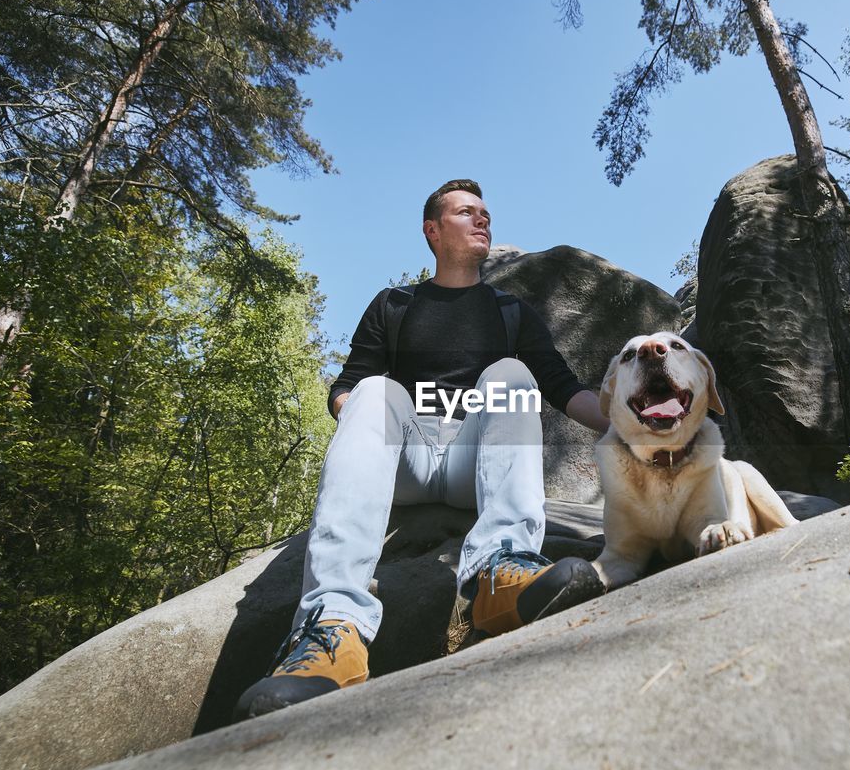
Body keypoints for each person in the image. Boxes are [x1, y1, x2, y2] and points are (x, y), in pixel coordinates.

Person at [234, 179, 610, 719]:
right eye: (466, 212)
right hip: (407, 457)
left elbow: (565, 389)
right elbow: (347, 385)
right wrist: (363, 414)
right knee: (373, 389)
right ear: (432, 231)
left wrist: (630, 419)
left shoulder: (511, 312)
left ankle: (500, 574)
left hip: (470, 461)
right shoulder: (395, 304)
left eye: (485, 213)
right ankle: (332, 634)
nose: (482, 220)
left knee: (511, 373)